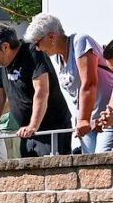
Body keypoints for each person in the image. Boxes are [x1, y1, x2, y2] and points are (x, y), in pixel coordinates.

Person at [0, 22, 72, 156]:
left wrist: (33, 125)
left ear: (5, 47)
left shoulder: (33, 52)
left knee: (53, 171)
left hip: (51, 128)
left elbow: (41, 91)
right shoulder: (1, 64)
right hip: (26, 131)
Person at [24, 13, 113, 154]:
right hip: (88, 123)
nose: (37, 49)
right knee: (89, 166)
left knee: (104, 162)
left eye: (37, 43)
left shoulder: (80, 41)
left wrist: (83, 119)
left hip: (107, 117)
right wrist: (82, 121)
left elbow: (89, 83)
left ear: (52, 36)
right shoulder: (58, 59)